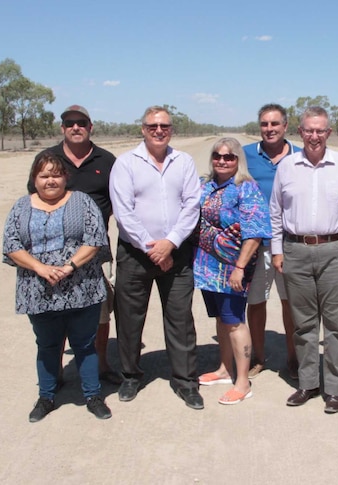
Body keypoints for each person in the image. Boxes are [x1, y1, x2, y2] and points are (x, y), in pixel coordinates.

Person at [270, 107, 338, 414]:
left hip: (337, 249)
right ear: (300, 132)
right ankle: (308, 383)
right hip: (296, 250)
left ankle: (337, 389)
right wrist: (277, 250)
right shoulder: (287, 166)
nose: (314, 136)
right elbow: (276, 211)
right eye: (309, 131)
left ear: (329, 133)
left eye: (320, 131)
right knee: (304, 324)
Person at [3, 152, 113, 422]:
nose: (50, 180)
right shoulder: (20, 206)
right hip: (38, 289)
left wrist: (68, 267)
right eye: (44, 175)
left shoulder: (83, 202)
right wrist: (40, 268)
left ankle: (93, 395)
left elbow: (95, 238)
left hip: (82, 286)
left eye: (55, 174)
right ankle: (46, 396)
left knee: (85, 344)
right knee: (47, 345)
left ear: (66, 177)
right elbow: (11, 245)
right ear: (34, 179)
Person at [109, 106, 204, 410]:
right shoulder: (126, 164)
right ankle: (131, 376)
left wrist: (171, 243)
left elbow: (192, 206)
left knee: (180, 320)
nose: (159, 130)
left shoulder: (184, 162)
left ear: (171, 129)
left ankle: (186, 382)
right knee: (129, 318)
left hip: (177, 255)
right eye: (153, 126)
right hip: (135, 255)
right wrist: (153, 248)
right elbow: (123, 212)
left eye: (164, 125)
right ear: (143, 129)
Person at [28, 104, 121, 386]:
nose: (75, 127)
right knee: (54, 309)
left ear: (91, 127)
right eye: (70, 123)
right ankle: (54, 370)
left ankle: (102, 363)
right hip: (51, 250)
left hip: (96, 249)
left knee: (100, 308)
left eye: (81, 122)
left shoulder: (106, 161)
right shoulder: (48, 159)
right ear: (62, 128)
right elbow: (33, 201)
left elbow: (121, 203)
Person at [194, 138, 271, 405]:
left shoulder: (246, 188)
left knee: (235, 320)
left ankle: (242, 381)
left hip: (233, 269)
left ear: (239, 160)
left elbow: (255, 232)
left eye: (229, 157)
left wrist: (239, 267)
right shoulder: (206, 186)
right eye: (218, 156)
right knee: (221, 319)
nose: (223, 161)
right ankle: (224, 369)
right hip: (207, 267)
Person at [242, 104, 301, 379]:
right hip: (256, 243)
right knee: (256, 302)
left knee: (292, 303)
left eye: (275, 124)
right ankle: (258, 357)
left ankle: (294, 357)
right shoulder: (245, 156)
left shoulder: (301, 156)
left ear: (285, 126)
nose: (270, 129)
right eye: (265, 124)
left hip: (291, 245)